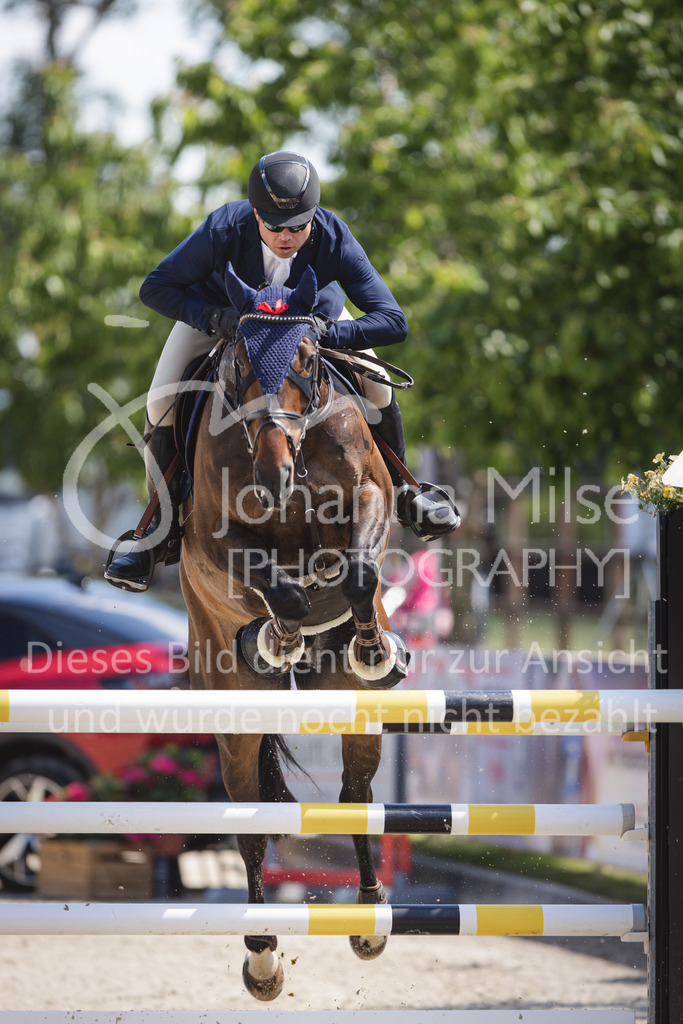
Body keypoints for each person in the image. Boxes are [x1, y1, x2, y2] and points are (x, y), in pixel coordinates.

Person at [105, 151, 459, 591]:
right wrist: (215, 317)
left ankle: (406, 491)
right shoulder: (223, 229)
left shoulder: (331, 234)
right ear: (256, 214)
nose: (287, 237)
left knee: (378, 384)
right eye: (274, 227)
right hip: (226, 322)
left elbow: (393, 319)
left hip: (314, 328)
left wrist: (329, 333)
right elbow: (154, 287)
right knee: (161, 399)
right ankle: (156, 529)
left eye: (298, 227)